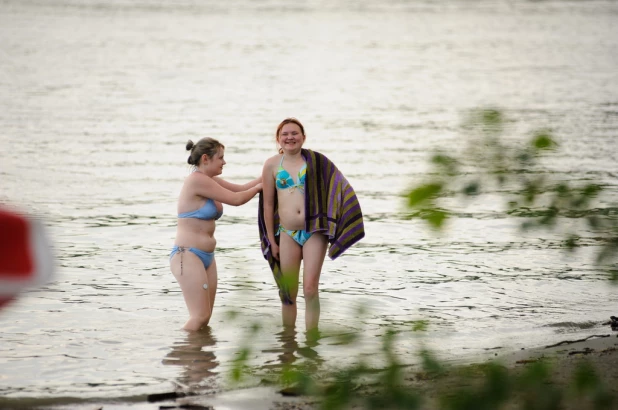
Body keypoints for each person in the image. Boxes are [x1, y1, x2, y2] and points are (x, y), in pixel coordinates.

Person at [258, 118, 364, 332]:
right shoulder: (271, 164)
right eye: (285, 134)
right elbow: (268, 204)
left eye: (295, 133)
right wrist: (271, 239)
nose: (290, 137)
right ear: (278, 139)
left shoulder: (317, 162)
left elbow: (339, 187)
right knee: (288, 293)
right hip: (287, 233)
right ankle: (288, 342)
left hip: (314, 230)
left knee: (310, 289)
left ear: (303, 137)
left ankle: (311, 339)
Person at [171, 137, 262, 331]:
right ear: (206, 158)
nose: (224, 162)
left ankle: (201, 359)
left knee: (205, 319)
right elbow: (237, 199)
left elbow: (242, 188)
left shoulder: (210, 181)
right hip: (187, 255)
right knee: (199, 316)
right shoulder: (197, 181)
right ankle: (180, 353)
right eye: (220, 157)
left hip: (207, 257)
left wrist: (270, 174)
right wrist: (260, 188)